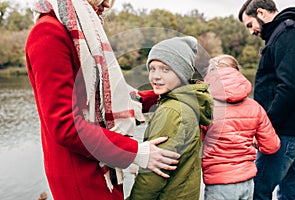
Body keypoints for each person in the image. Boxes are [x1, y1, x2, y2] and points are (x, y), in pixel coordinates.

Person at [25, 0, 181, 199]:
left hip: (104, 164)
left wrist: (166, 93)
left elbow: (113, 101)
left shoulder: (83, 31)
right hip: (80, 174)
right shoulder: (48, 33)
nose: (107, 4)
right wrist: (137, 153)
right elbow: (65, 126)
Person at [127, 36, 213, 200]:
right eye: (152, 68)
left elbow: (153, 176)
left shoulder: (173, 111)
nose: (155, 77)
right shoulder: (187, 103)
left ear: (182, 73)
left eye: (165, 69)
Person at [238, 1, 295, 199]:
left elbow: (289, 87)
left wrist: (265, 127)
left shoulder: (287, 33)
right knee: (292, 193)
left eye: (250, 25)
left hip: (283, 134)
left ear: (261, 12)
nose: (251, 32)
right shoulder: (287, 32)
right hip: (292, 131)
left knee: (257, 191)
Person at [201, 54, 280, 200]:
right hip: (247, 181)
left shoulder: (206, 108)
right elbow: (272, 146)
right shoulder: (254, 107)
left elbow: (195, 145)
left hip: (219, 181)